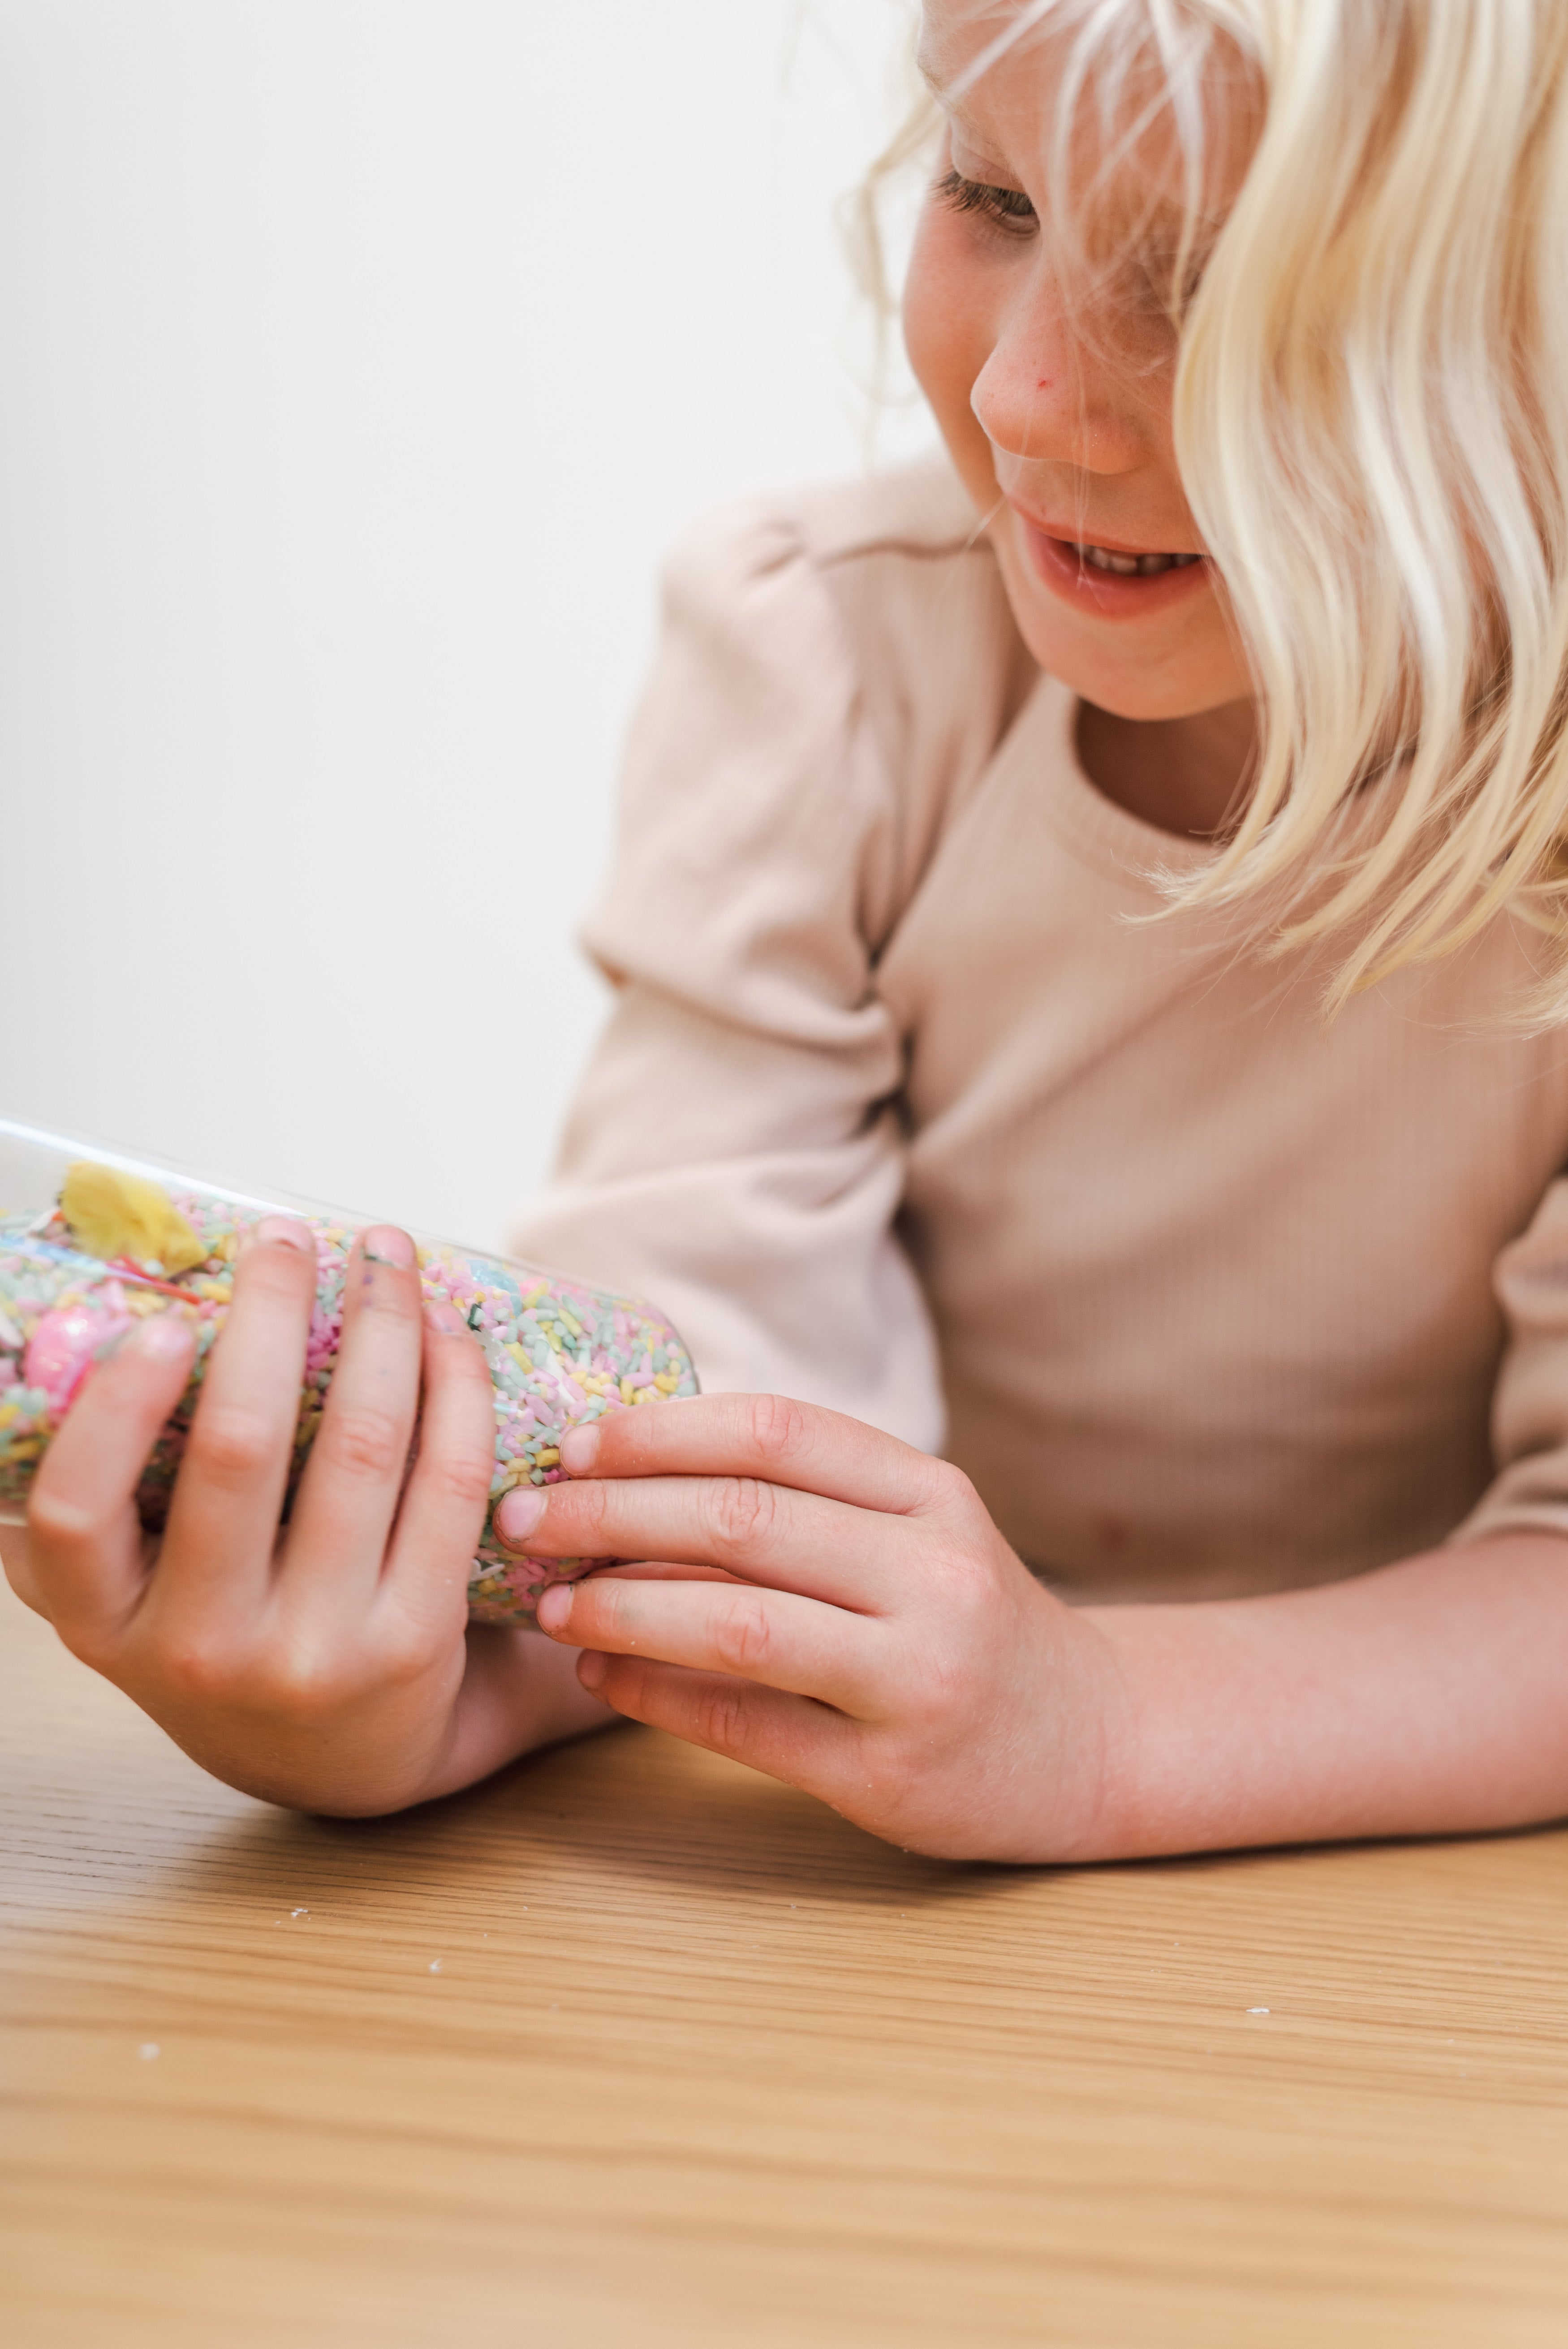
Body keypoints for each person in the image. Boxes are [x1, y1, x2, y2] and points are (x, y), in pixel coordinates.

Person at [9, 0, 1568, 1861]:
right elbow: (690, 1429)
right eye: (986, 192)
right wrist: (417, 1686)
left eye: (1205, 273)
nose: (1017, 393)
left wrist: (1104, 1731)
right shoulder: (823, 661)